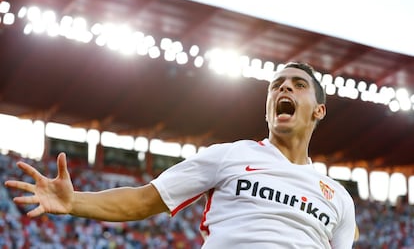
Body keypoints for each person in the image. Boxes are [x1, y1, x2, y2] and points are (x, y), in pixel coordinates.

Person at [5, 62, 357, 248]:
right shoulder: (229, 157)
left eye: (297, 85)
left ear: (318, 111)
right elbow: (143, 201)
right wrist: (74, 202)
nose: (284, 88)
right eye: (277, 85)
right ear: (268, 109)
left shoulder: (338, 198)